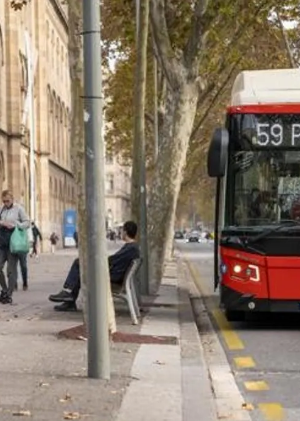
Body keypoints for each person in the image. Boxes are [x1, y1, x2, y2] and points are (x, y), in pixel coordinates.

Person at [48, 220, 140, 311]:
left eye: (122, 230)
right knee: (81, 268)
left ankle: (68, 293)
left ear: (125, 232)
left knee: (78, 263)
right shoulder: (132, 247)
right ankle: (69, 299)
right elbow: (115, 260)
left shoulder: (131, 248)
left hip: (112, 277)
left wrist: (96, 260)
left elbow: (112, 260)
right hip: (115, 275)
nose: (121, 233)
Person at [0, 190, 30, 304]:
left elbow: (27, 222)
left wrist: (16, 225)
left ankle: (9, 294)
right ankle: (4, 289)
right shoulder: (2, 209)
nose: (6, 203)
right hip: (2, 243)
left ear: (12, 199)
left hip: (13, 243)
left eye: (7, 201)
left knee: (10, 271)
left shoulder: (19, 209)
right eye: (4, 201)